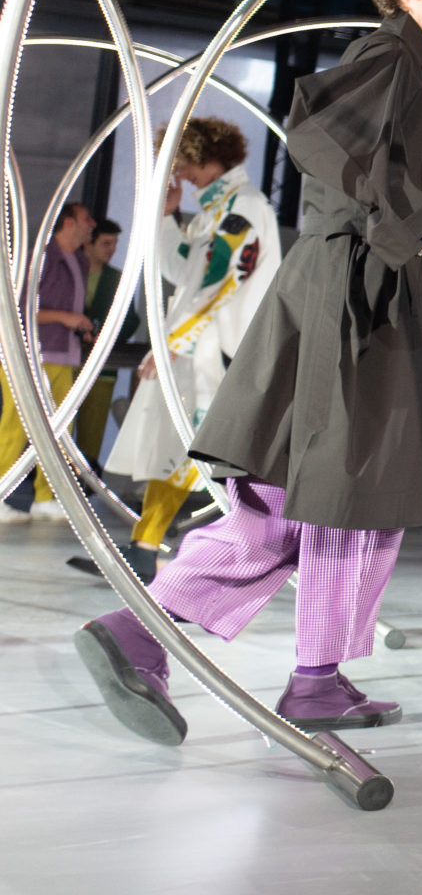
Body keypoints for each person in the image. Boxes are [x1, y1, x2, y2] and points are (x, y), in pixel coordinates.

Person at [73, 0, 422, 743]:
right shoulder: (387, 59)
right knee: (352, 485)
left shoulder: (420, 80)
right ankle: (285, 667)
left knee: (307, 490)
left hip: (362, 282)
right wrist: (406, 218)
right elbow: (316, 132)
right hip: (356, 290)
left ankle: (174, 637)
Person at [87, 118, 281, 581]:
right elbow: (184, 272)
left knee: (212, 457)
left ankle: (243, 556)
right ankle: (146, 545)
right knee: (177, 447)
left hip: (221, 354)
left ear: (209, 157)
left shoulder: (244, 207)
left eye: (186, 163)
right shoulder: (219, 211)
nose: (182, 174)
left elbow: (224, 282)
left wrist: (174, 343)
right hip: (200, 351)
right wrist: (167, 217)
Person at [0, 203, 98, 521]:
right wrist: (65, 318)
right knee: (17, 424)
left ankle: (46, 496)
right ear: (68, 223)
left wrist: (78, 325)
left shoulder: (80, 260)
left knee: (61, 429)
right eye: (86, 220)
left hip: (62, 354)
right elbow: (19, 308)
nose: (92, 225)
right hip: (29, 355)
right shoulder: (40, 258)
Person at [71, 217, 126, 465]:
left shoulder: (117, 278)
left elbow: (130, 319)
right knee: (56, 425)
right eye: (106, 243)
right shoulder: (69, 268)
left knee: (92, 436)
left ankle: (85, 476)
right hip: (67, 359)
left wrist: (104, 335)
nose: (112, 249)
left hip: (102, 365)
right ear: (89, 243)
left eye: (114, 244)